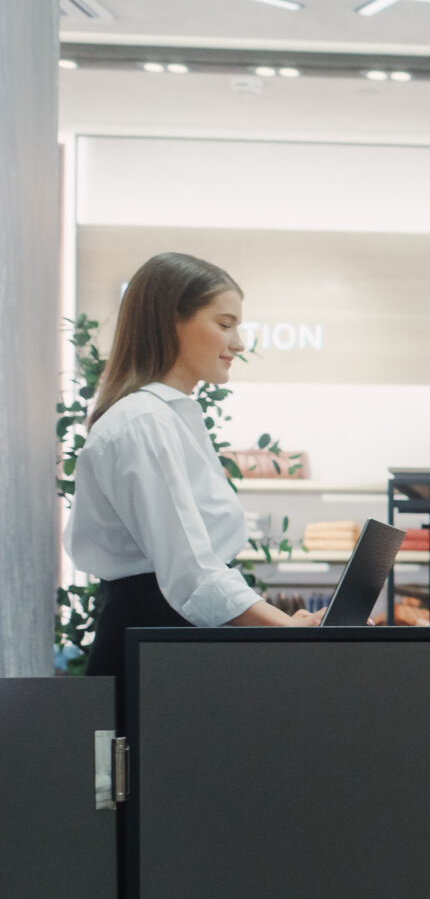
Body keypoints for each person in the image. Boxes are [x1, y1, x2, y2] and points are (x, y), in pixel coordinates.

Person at [70, 251, 320, 678]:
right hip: (151, 649)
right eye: (225, 325)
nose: (239, 343)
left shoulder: (165, 417)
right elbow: (191, 572)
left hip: (164, 643)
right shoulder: (144, 422)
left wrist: (286, 623)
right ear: (171, 322)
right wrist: (286, 626)